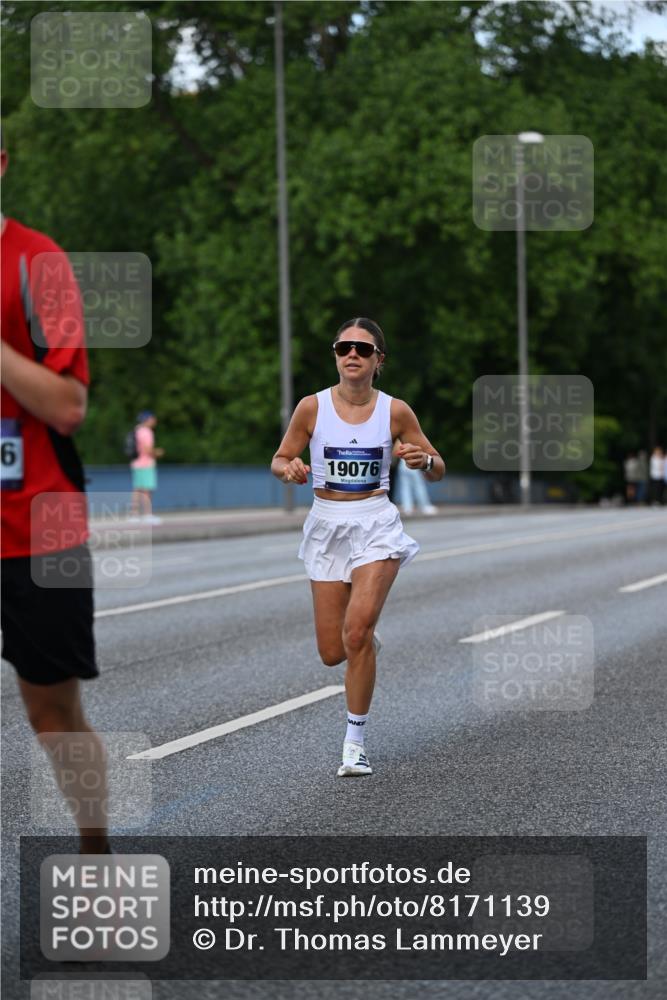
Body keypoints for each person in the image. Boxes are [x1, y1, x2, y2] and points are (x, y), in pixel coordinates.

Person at [271, 318, 445, 776]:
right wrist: (288, 468)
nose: (352, 354)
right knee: (333, 651)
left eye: (363, 349)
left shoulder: (395, 412)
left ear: (377, 361)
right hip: (326, 524)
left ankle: (354, 744)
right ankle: (364, 639)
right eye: (344, 347)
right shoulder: (312, 407)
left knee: (355, 634)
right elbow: (279, 457)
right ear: (335, 355)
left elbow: (438, 466)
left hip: (375, 523)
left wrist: (423, 459)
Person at [1, 133, 109, 853]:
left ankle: (96, 853)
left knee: (52, 710)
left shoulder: (39, 261)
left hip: (39, 526)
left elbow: (68, 406)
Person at [129, 410, 164, 523]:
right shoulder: (147, 432)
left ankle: (134, 515)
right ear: (147, 419)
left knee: (137, 490)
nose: (154, 421)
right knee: (147, 490)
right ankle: (147, 515)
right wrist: (157, 452)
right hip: (146, 463)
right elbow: (147, 450)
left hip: (136, 463)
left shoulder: (137, 430)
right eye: (153, 418)